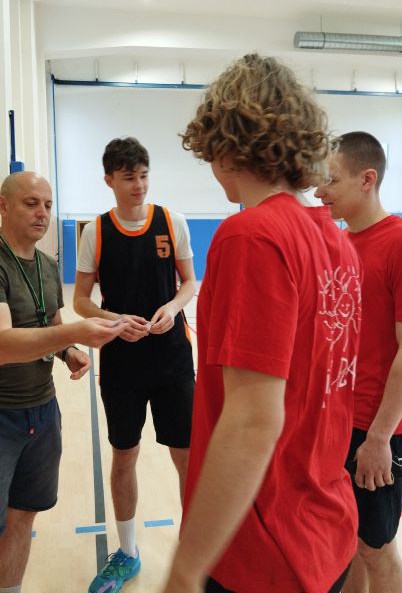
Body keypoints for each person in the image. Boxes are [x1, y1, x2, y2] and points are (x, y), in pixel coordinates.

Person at [161, 54, 363, 593]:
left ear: (224, 146)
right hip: (326, 529)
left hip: (265, 547)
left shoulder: (251, 237)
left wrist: (186, 566)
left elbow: (253, 421)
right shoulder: (337, 242)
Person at [0, 171, 128, 593]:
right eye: (31, 203)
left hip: (42, 413)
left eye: (48, 206)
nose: (42, 213)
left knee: (21, 518)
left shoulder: (47, 266)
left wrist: (67, 350)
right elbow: (0, 345)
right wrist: (75, 332)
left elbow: (49, 320)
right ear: (2, 205)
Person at [73, 136, 196, 592]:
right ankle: (126, 552)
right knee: (124, 455)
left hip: (172, 359)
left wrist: (174, 307)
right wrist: (114, 319)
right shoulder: (96, 231)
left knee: (186, 457)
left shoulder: (172, 221)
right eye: (129, 178)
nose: (139, 185)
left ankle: (194, 551)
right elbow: (81, 301)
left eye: (144, 176)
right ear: (109, 180)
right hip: (122, 362)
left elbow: (189, 282)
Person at [314, 132, 402, 593]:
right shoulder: (340, 243)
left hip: (377, 430)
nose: (319, 191)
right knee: (349, 541)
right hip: (339, 421)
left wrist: (380, 437)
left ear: (367, 179)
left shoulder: (398, 243)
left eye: (330, 180)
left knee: (376, 547)